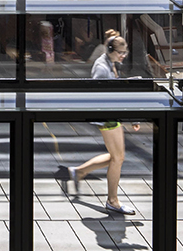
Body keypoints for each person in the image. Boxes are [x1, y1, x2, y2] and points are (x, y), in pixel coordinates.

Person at [53, 31, 141, 216]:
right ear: (111, 50)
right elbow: (103, 94)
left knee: (116, 157)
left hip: (111, 114)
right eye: (120, 53)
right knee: (118, 158)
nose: (123, 56)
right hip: (107, 116)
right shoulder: (102, 68)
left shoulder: (110, 61)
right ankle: (112, 201)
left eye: (125, 53)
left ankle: (79, 172)